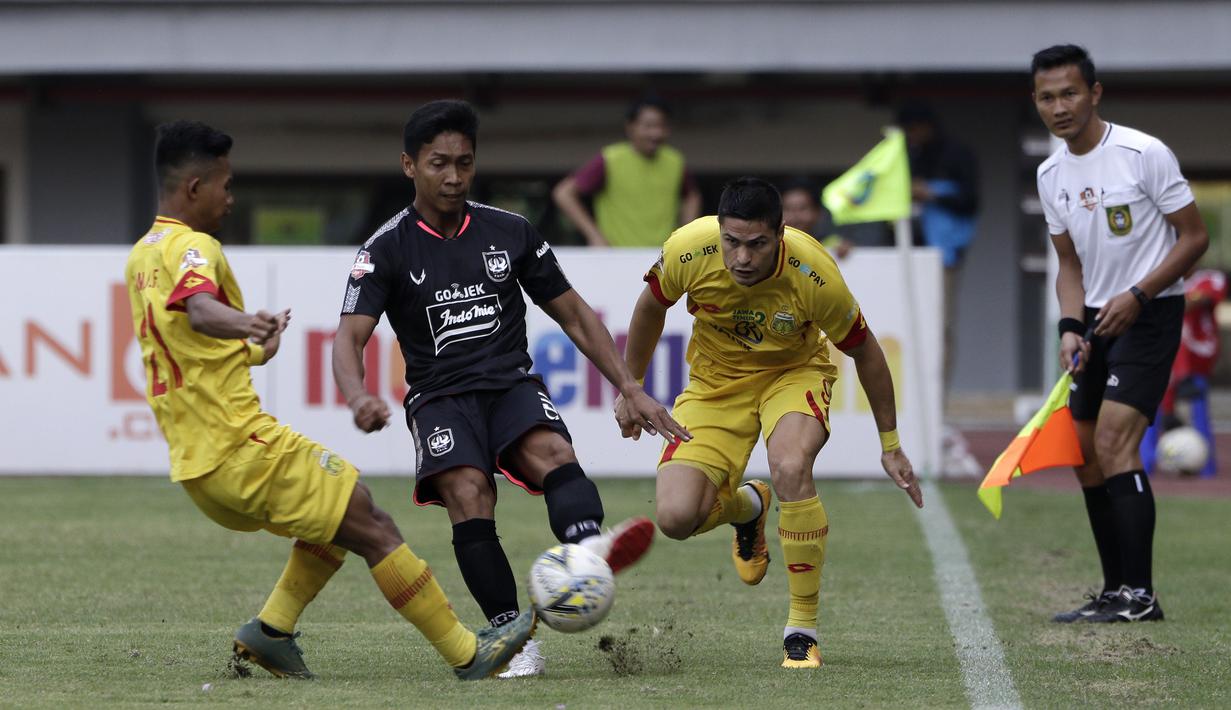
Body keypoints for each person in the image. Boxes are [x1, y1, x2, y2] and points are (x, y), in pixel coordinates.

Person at [123, 121, 536, 681]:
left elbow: (186, 344)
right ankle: (468, 654)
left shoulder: (144, 255)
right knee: (374, 525)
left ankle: (271, 631)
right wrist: (249, 320)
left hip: (197, 462)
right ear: (194, 187)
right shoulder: (194, 246)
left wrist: (252, 349)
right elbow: (198, 309)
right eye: (224, 183)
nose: (230, 196)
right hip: (239, 445)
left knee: (343, 507)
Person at [332, 100, 690, 678]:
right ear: (409, 166)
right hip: (440, 397)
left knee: (554, 454)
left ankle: (587, 550)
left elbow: (574, 313)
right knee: (469, 494)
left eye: (465, 163)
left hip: (509, 383)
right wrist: (357, 396)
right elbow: (348, 339)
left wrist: (630, 384)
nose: (453, 177)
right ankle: (512, 636)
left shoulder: (510, 230)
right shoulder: (386, 249)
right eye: (439, 164)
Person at [613, 177, 923, 669]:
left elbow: (865, 351)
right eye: (731, 242)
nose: (741, 257)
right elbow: (651, 307)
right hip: (716, 384)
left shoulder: (814, 273)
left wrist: (890, 443)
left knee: (791, 465)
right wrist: (630, 387)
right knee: (674, 519)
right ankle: (748, 508)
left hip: (792, 374)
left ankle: (801, 628)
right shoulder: (688, 249)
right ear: (718, 231)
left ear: (780, 234)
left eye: (756, 244)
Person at [1033, 45, 1208, 623]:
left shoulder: (1142, 153)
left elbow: (1193, 238)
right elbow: (1069, 266)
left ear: (1095, 93)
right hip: (1096, 321)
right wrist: (1068, 327)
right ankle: (1115, 592)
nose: (1059, 106)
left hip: (1151, 314)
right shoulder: (1050, 173)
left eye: (1069, 93)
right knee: (1084, 456)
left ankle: (1142, 595)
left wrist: (1140, 295)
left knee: (1113, 443)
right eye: (1047, 96)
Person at [896, 101, 979, 400]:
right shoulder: (908, 155)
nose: (912, 137)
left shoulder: (956, 154)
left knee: (940, 326)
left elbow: (971, 200)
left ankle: (936, 398)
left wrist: (929, 192)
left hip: (944, 254)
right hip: (908, 255)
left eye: (914, 130)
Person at [552, 95, 702, 247]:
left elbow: (692, 196)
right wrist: (595, 236)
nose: (656, 133)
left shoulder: (674, 161)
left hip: (663, 258)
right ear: (630, 127)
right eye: (648, 126)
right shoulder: (611, 159)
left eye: (662, 126)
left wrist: (685, 236)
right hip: (619, 257)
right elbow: (564, 193)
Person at [1141, 268, 1227, 476]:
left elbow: (1200, 300)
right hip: (1165, 355)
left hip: (1197, 354)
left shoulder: (1209, 278)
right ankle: (1147, 462)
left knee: (1196, 406)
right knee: (1152, 408)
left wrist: (1162, 301)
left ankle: (1206, 466)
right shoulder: (1157, 278)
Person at [780, 179, 853, 259]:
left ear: (817, 212)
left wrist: (848, 249)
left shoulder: (831, 243)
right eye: (788, 209)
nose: (795, 216)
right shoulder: (771, 245)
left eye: (802, 208)